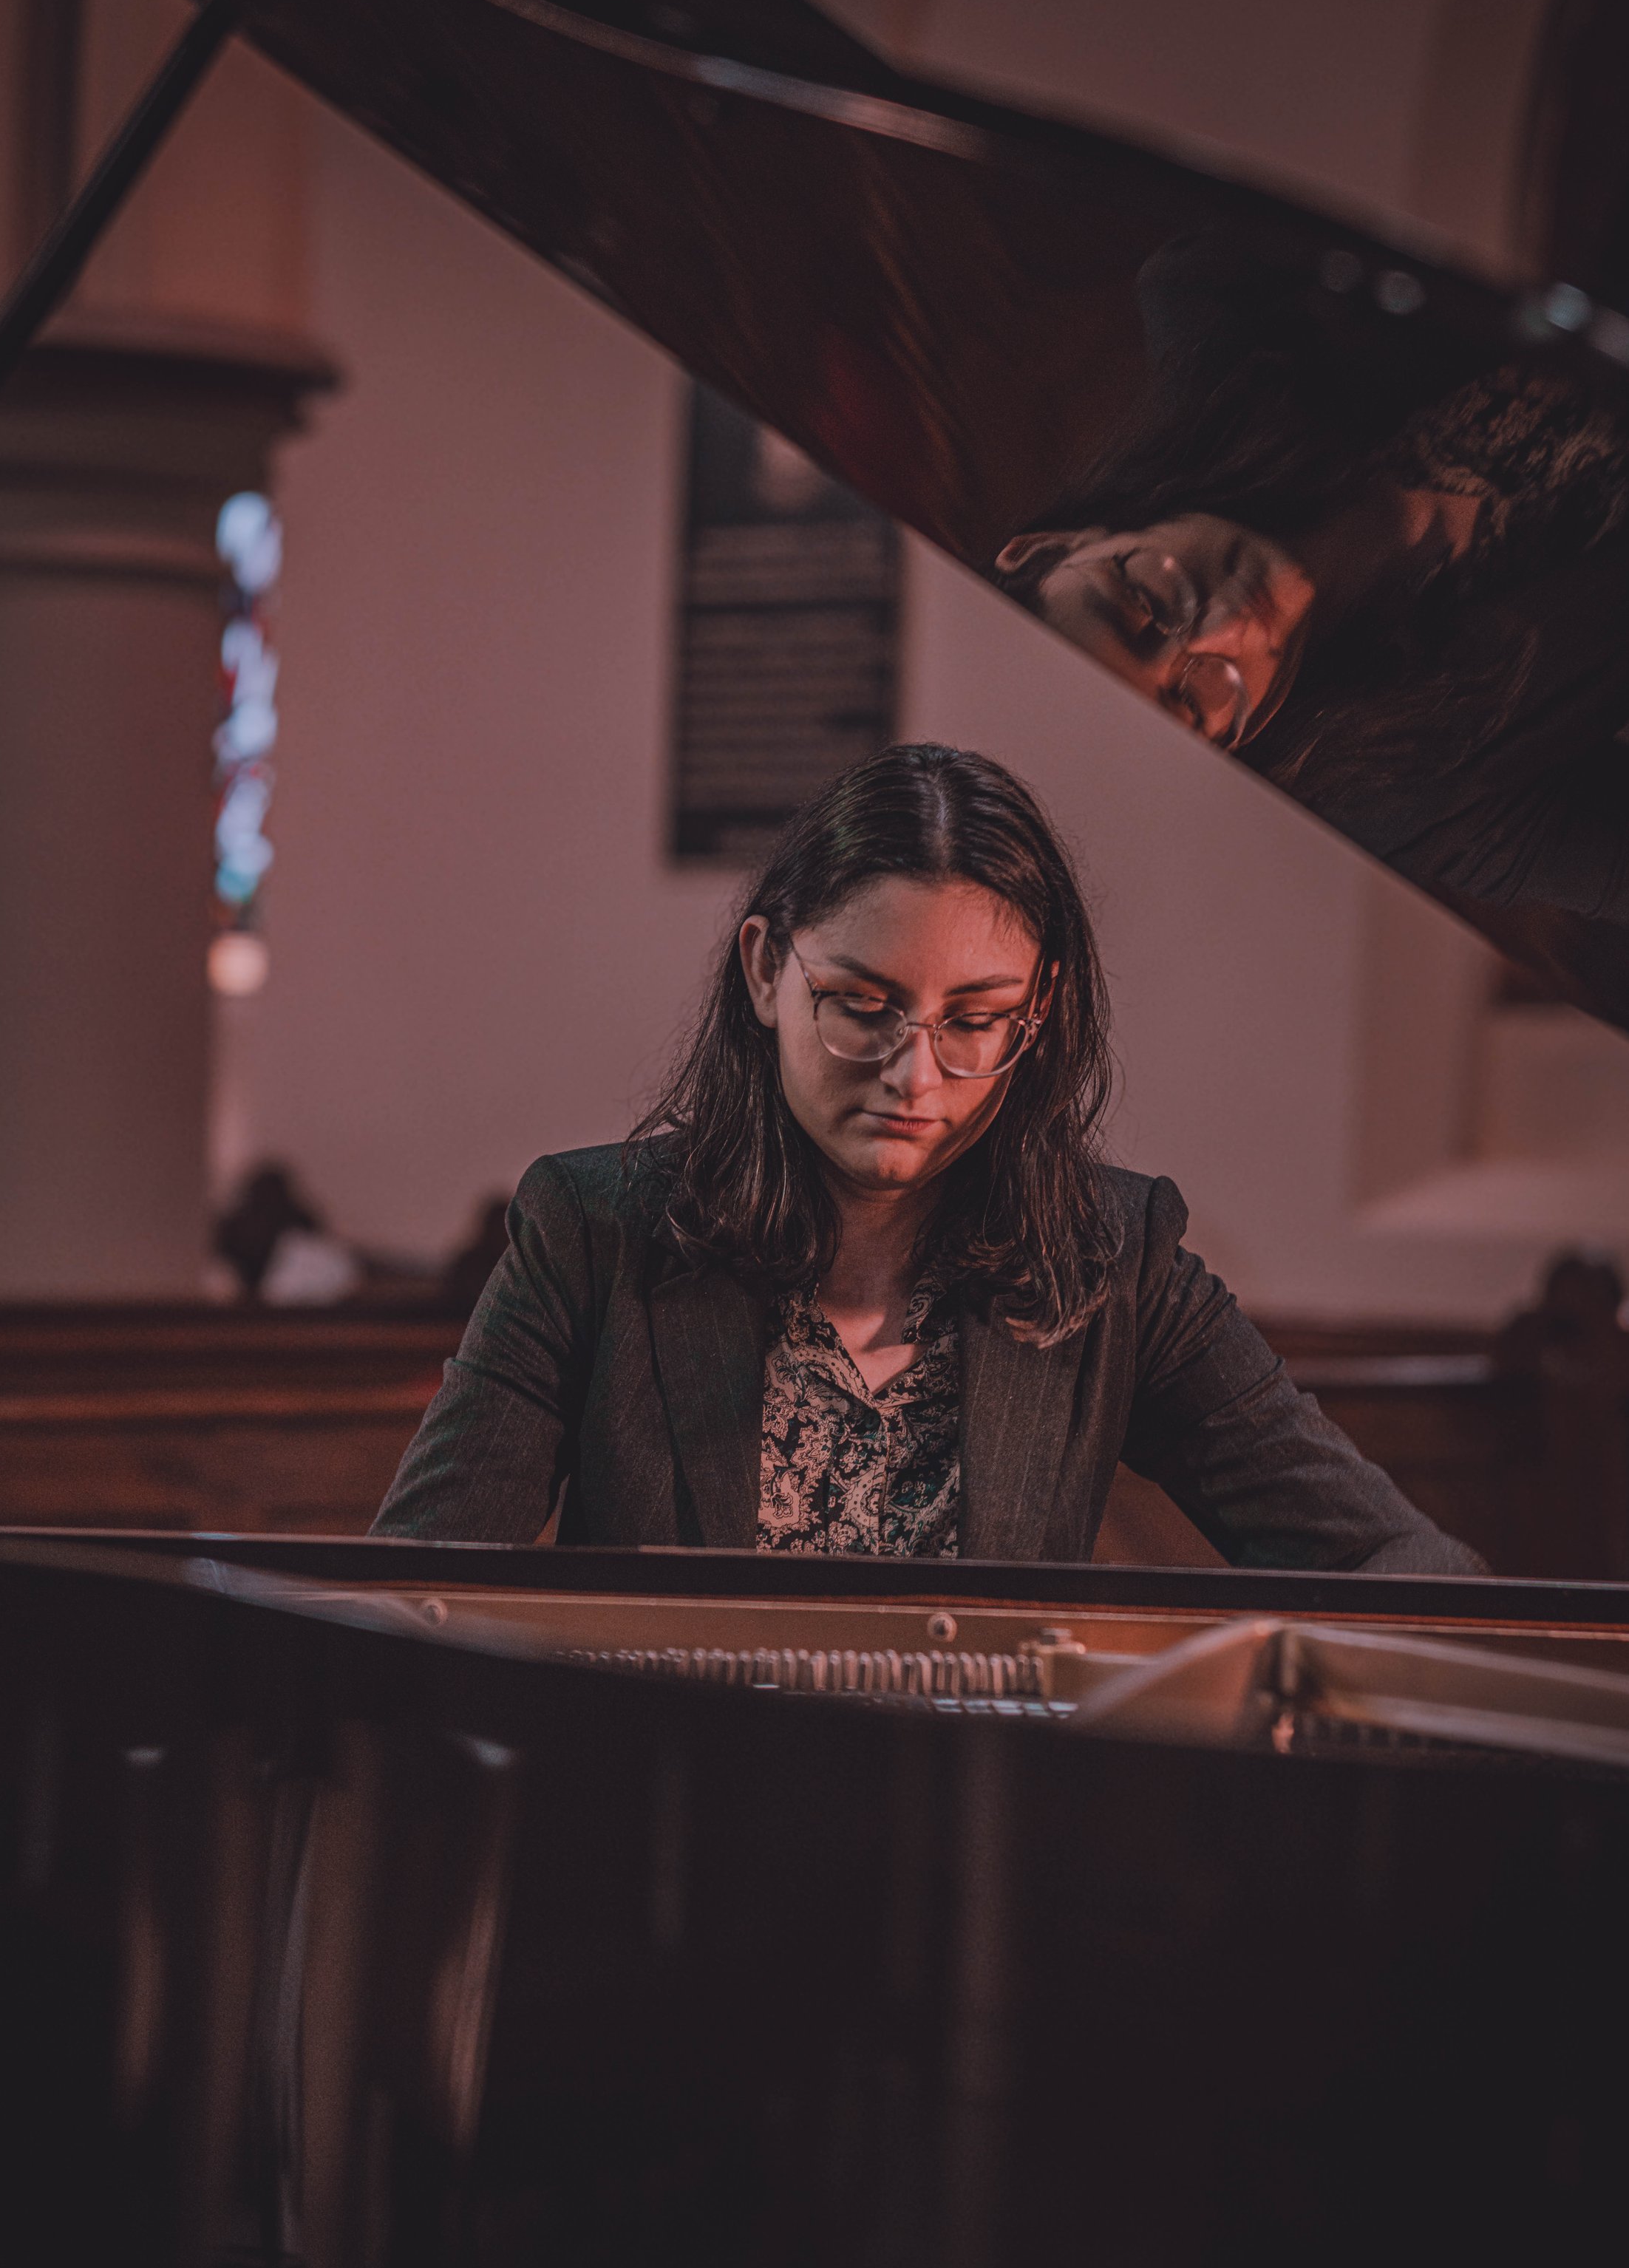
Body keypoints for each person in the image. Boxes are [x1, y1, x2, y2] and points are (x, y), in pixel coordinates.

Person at [375, 743, 1478, 1572]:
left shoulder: (1115, 1259)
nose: (916, 1075)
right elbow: (413, 1587)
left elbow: (1391, 1562)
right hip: (666, 1849)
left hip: (979, 1859)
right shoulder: (591, 1232)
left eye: (976, 1018)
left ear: (1039, 1012)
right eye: (863, 1006)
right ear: (766, 970)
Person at [993, 232, 1629, 936]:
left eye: (1146, 602)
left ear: (1052, 547)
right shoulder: (1426, 794)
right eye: (1196, 697)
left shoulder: (1211, 312)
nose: (1224, 628)